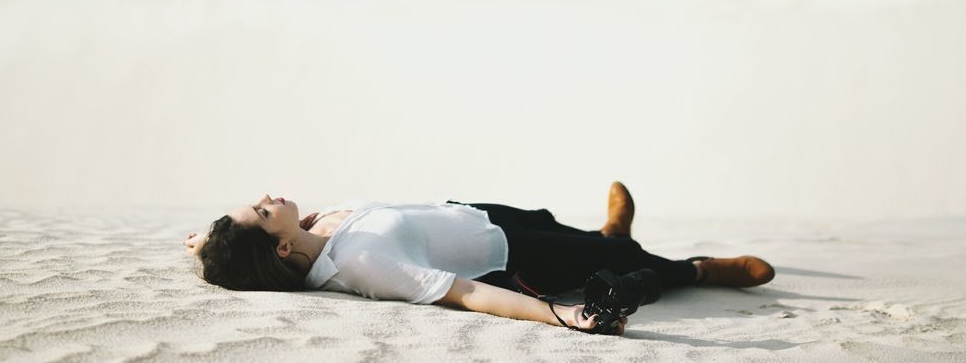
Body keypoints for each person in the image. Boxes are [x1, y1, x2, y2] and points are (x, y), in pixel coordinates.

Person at [184, 182, 774, 335]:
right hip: (509, 257)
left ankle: (605, 232)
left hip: (476, 215)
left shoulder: (313, 227)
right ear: (281, 247)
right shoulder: (360, 263)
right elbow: (465, 294)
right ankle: (702, 269)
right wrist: (558, 315)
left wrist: (209, 244)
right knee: (619, 257)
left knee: (555, 222)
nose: (266, 199)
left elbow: (246, 251)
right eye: (261, 213)